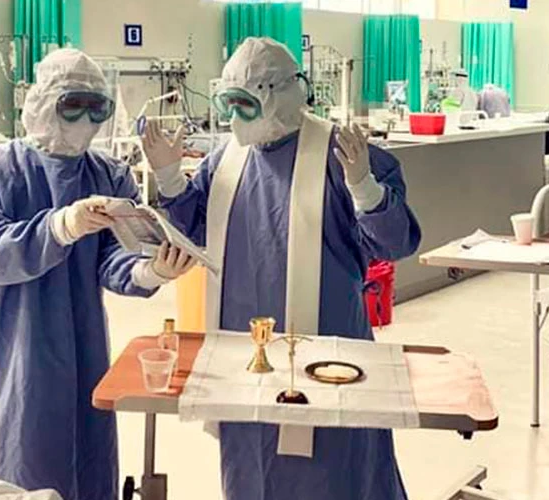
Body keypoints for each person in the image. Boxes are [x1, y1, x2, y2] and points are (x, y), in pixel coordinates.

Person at [140, 37, 421, 499]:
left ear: (282, 95)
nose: (235, 118)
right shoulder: (225, 159)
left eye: (246, 105)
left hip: (329, 350)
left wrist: (365, 189)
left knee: (334, 469)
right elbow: (194, 230)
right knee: (251, 461)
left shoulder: (340, 154)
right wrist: (170, 179)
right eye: (229, 104)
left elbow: (394, 243)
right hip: (241, 354)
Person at [0, 49, 195, 500]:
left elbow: (114, 257)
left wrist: (148, 270)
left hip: (82, 339)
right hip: (12, 339)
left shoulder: (108, 174)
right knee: (16, 448)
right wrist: (59, 227)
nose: (86, 120)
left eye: (96, 108)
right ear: (43, 102)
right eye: (73, 105)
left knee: (85, 446)